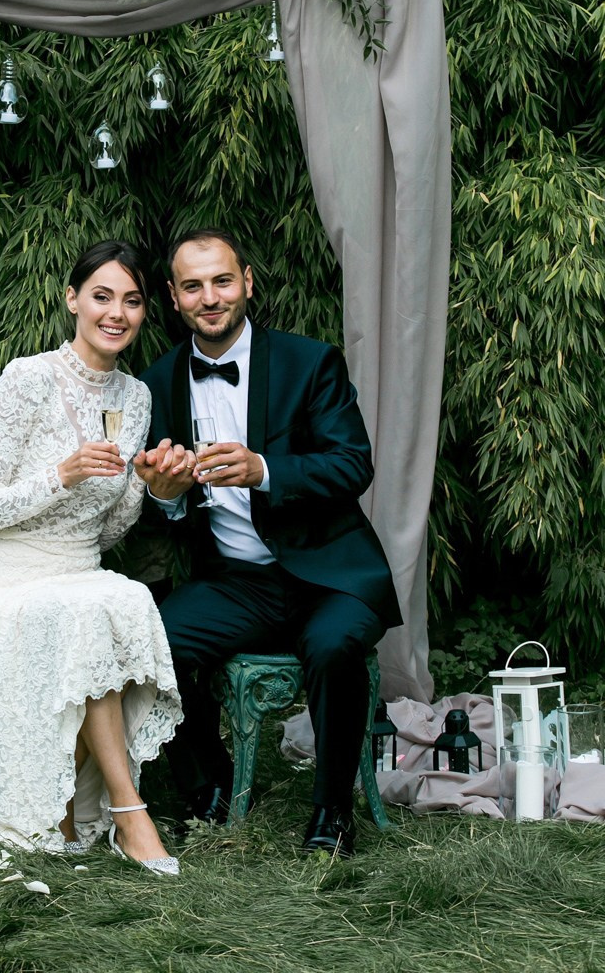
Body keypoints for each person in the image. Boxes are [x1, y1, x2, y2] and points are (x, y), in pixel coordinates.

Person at [135, 228, 402, 858]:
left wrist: (266, 469)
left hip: (327, 572)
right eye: (193, 286)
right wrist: (166, 492)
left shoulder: (310, 362)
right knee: (146, 641)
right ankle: (212, 786)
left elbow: (352, 465)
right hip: (236, 583)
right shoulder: (158, 382)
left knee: (335, 645)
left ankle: (333, 813)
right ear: (174, 298)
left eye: (222, 281)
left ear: (247, 283)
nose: (210, 297)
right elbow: (163, 507)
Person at [0, 240, 181, 874]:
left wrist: (147, 488)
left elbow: (105, 537)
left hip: (77, 576)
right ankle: (129, 811)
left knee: (123, 596)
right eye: (102, 296)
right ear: (72, 299)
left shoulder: (136, 398)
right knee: (89, 609)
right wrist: (61, 475)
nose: (116, 313)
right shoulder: (27, 378)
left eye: (131, 301)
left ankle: (77, 805)